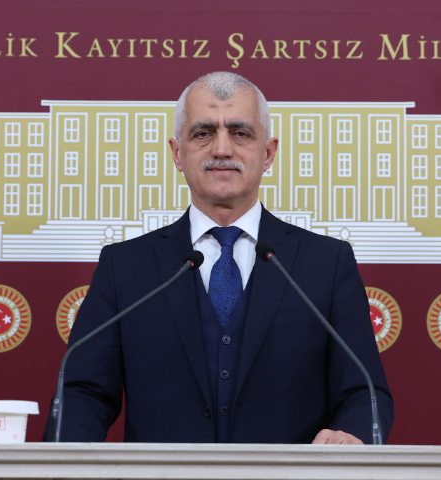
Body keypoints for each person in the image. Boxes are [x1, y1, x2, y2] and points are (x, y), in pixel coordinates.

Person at [48, 71, 393, 444]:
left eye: (240, 133)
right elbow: (83, 393)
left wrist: (352, 434)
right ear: (177, 154)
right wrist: (65, 458)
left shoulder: (326, 263)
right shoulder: (125, 267)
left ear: (268, 153)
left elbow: (364, 392)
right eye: (203, 133)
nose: (222, 149)